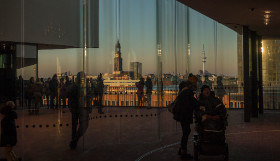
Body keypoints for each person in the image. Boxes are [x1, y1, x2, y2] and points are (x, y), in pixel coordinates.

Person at [175, 74, 199, 159]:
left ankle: (182, 149)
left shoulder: (184, 89)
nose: (196, 86)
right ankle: (183, 152)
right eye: (195, 84)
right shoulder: (188, 92)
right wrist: (199, 106)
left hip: (181, 114)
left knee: (186, 131)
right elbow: (191, 102)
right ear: (192, 84)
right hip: (184, 115)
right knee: (186, 132)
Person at [69, 72, 90, 150]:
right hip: (80, 109)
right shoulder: (77, 87)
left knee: (75, 126)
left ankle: (74, 141)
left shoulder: (75, 86)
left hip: (77, 109)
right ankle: (74, 141)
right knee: (84, 125)